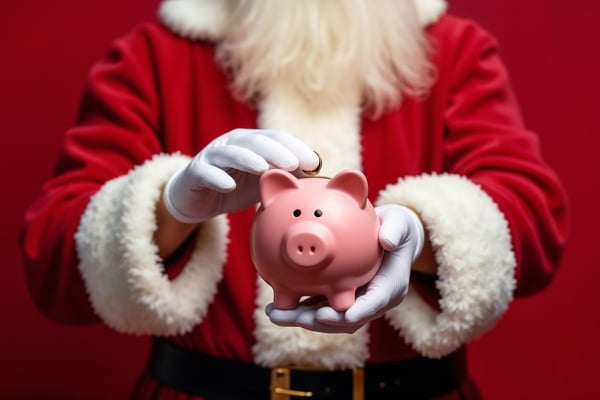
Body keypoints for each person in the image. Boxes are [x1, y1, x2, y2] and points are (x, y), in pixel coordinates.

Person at [20, 0, 569, 399]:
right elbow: (53, 261)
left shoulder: (454, 49)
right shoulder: (154, 55)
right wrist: (169, 208)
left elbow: (533, 218)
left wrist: (421, 234)